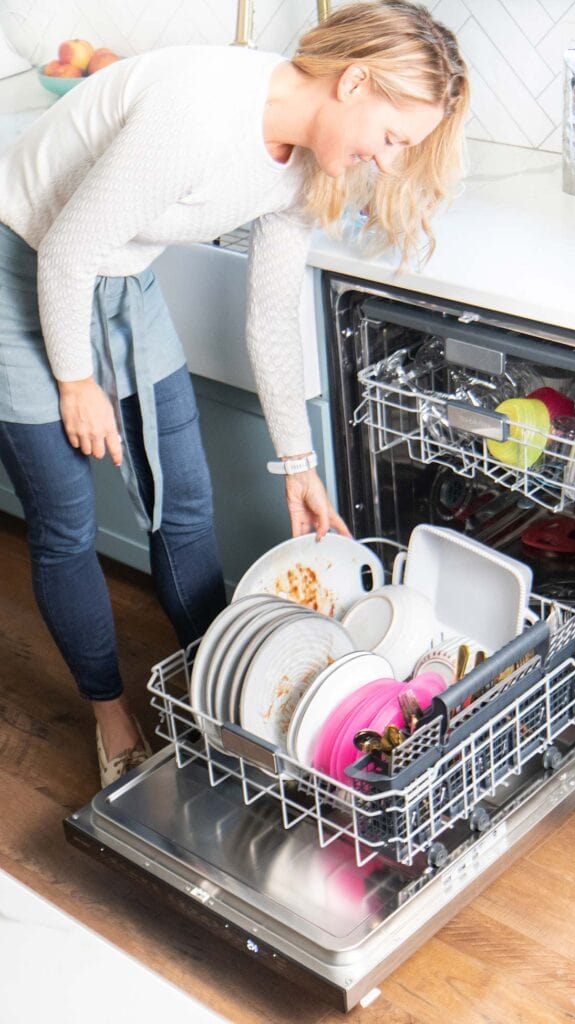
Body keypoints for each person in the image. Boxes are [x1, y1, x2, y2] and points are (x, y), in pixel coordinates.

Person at [0, 0, 469, 787]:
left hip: (116, 272)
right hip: (21, 261)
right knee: (66, 522)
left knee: (183, 500)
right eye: (390, 138)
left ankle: (218, 698)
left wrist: (298, 463)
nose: (387, 162)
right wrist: (75, 382)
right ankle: (110, 713)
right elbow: (68, 247)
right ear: (354, 83)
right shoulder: (201, 110)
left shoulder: (308, 164)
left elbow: (271, 315)